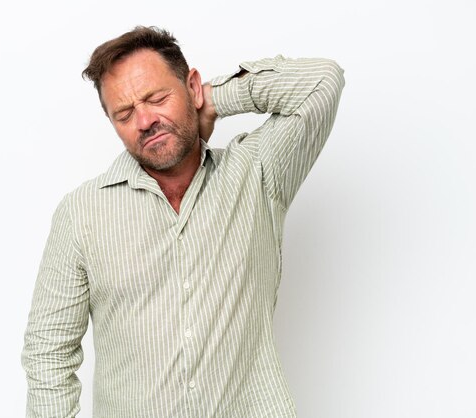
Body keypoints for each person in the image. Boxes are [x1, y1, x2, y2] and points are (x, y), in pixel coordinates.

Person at [22, 26, 344, 417]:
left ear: (191, 87)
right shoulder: (80, 214)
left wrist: (214, 100)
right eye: (124, 114)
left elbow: (323, 81)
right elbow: (48, 353)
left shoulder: (258, 174)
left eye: (157, 98)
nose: (144, 121)